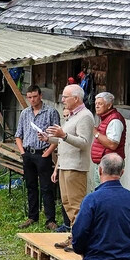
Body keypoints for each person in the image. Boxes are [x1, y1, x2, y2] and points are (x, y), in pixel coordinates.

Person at [43, 84, 94, 251]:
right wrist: (48, 139)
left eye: (65, 97)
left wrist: (63, 135)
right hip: (65, 164)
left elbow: (84, 143)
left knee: (76, 205)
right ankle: (74, 235)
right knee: (66, 203)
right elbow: (63, 140)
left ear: (76, 98)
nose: (63, 100)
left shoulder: (85, 116)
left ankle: (80, 240)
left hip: (76, 166)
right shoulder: (72, 116)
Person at [15, 85, 60, 230]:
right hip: (28, 153)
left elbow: (58, 135)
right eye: (29, 97)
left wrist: (49, 151)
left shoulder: (51, 112)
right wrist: (22, 152)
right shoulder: (25, 113)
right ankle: (32, 216)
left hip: (43, 152)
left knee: (47, 187)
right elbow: (18, 135)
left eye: (34, 96)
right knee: (31, 186)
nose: (32, 100)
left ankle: (50, 219)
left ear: (40, 96)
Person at [91, 92, 126, 165]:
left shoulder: (115, 120)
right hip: (105, 162)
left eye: (100, 104)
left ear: (109, 105)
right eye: (96, 104)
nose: (97, 106)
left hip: (111, 164)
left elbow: (112, 144)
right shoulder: (106, 118)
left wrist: (96, 133)